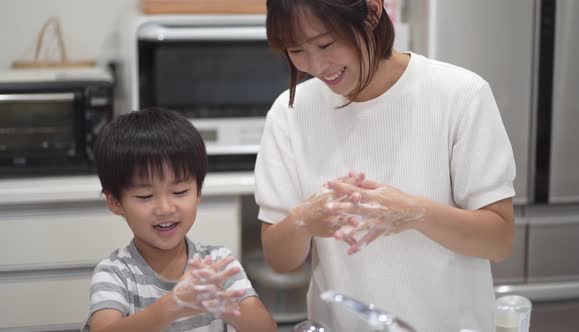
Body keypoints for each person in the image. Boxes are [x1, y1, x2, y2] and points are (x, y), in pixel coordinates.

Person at [255, 0, 516, 331]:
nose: (317, 65)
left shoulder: (460, 95)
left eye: (325, 43)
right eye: (297, 50)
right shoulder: (289, 114)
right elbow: (279, 260)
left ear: (372, 11)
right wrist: (304, 221)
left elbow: (499, 240)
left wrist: (413, 212)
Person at [82, 108, 276, 332]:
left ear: (198, 193)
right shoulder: (115, 274)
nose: (165, 208)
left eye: (180, 191)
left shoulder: (217, 264)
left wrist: (228, 306)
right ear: (116, 202)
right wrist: (174, 305)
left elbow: (267, 328)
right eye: (145, 196)